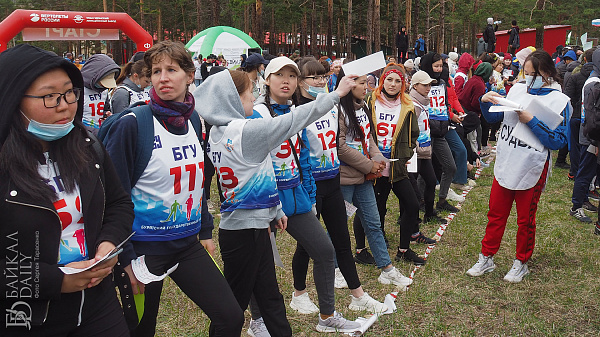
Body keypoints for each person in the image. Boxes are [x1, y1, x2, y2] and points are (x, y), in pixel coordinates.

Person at [103, 40, 244, 336]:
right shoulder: (133, 124)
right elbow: (112, 197)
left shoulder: (193, 119)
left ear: (190, 76)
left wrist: (204, 229)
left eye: (172, 69)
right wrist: (125, 258)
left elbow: (197, 180)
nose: (163, 78)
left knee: (231, 317)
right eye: (156, 71)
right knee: (142, 330)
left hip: (185, 245)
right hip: (142, 250)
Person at [0, 44, 134, 336]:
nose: (64, 105)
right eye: (49, 96)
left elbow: (119, 204)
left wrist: (108, 244)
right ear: (12, 99)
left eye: (69, 92)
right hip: (26, 317)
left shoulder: (88, 147)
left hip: (98, 305)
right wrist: (53, 280)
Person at [249, 56, 363, 333]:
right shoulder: (256, 114)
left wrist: (310, 194)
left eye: (291, 75)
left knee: (324, 252)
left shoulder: (294, 111)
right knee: (258, 261)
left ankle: (327, 316)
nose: (286, 81)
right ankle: (258, 320)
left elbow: (303, 157)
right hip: (265, 199)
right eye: (279, 75)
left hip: (295, 195)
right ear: (267, 79)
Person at [292, 57, 388, 318]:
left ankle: (358, 295)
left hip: (333, 181)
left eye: (323, 77)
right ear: (300, 81)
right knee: (307, 244)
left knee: (342, 241)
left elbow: (339, 141)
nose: (319, 82)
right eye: (313, 78)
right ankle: (299, 293)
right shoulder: (295, 111)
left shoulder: (330, 106)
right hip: (309, 186)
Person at [467, 50, 571, 283]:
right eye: (527, 73)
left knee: (525, 219)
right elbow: (495, 119)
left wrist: (532, 121)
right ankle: (487, 256)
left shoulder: (559, 100)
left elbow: (558, 140)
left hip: (531, 166)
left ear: (548, 73)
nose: (530, 78)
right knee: (496, 213)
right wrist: (486, 102)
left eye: (535, 74)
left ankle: (521, 261)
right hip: (506, 160)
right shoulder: (516, 89)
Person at [335, 68, 414, 287]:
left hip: (364, 178)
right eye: (361, 83)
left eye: (367, 83)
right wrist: (370, 164)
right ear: (349, 85)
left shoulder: (362, 108)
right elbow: (340, 147)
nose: (366, 87)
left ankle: (386, 268)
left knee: (374, 222)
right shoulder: (338, 110)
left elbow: (368, 138)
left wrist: (379, 158)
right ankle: (334, 269)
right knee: (339, 225)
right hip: (344, 178)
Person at [356, 63, 437, 265]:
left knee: (411, 204)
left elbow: (413, 134)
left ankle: (404, 250)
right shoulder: (369, 100)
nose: (392, 84)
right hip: (373, 167)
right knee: (375, 208)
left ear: (403, 84)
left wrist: (405, 153)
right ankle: (365, 247)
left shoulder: (407, 105)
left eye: (397, 81)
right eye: (389, 79)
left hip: (397, 167)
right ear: (383, 80)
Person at [420, 52, 464, 210]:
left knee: (450, 166)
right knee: (425, 172)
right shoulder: (420, 84)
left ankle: (442, 200)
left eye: (441, 65)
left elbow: (445, 105)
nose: (439, 69)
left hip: (440, 131)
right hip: (425, 133)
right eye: (436, 66)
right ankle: (420, 202)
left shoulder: (443, 83)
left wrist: (450, 117)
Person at [570, 48, 600, 223]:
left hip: (591, 134)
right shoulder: (594, 82)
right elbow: (591, 115)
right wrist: (594, 140)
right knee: (585, 172)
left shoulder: (594, 79)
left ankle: (583, 200)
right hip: (590, 135)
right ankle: (576, 206)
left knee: (588, 172)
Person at [563, 48, 596, 180]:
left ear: (585, 59)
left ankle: (575, 171)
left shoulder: (575, 75)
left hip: (576, 115)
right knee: (589, 147)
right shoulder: (594, 78)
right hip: (591, 117)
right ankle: (587, 174)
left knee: (575, 147)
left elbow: (568, 97)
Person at [80, 54, 120, 133]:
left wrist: (106, 115)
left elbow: (105, 108)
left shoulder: (104, 91)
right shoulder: (78, 90)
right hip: (82, 132)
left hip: (99, 131)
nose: (103, 86)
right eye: (102, 83)